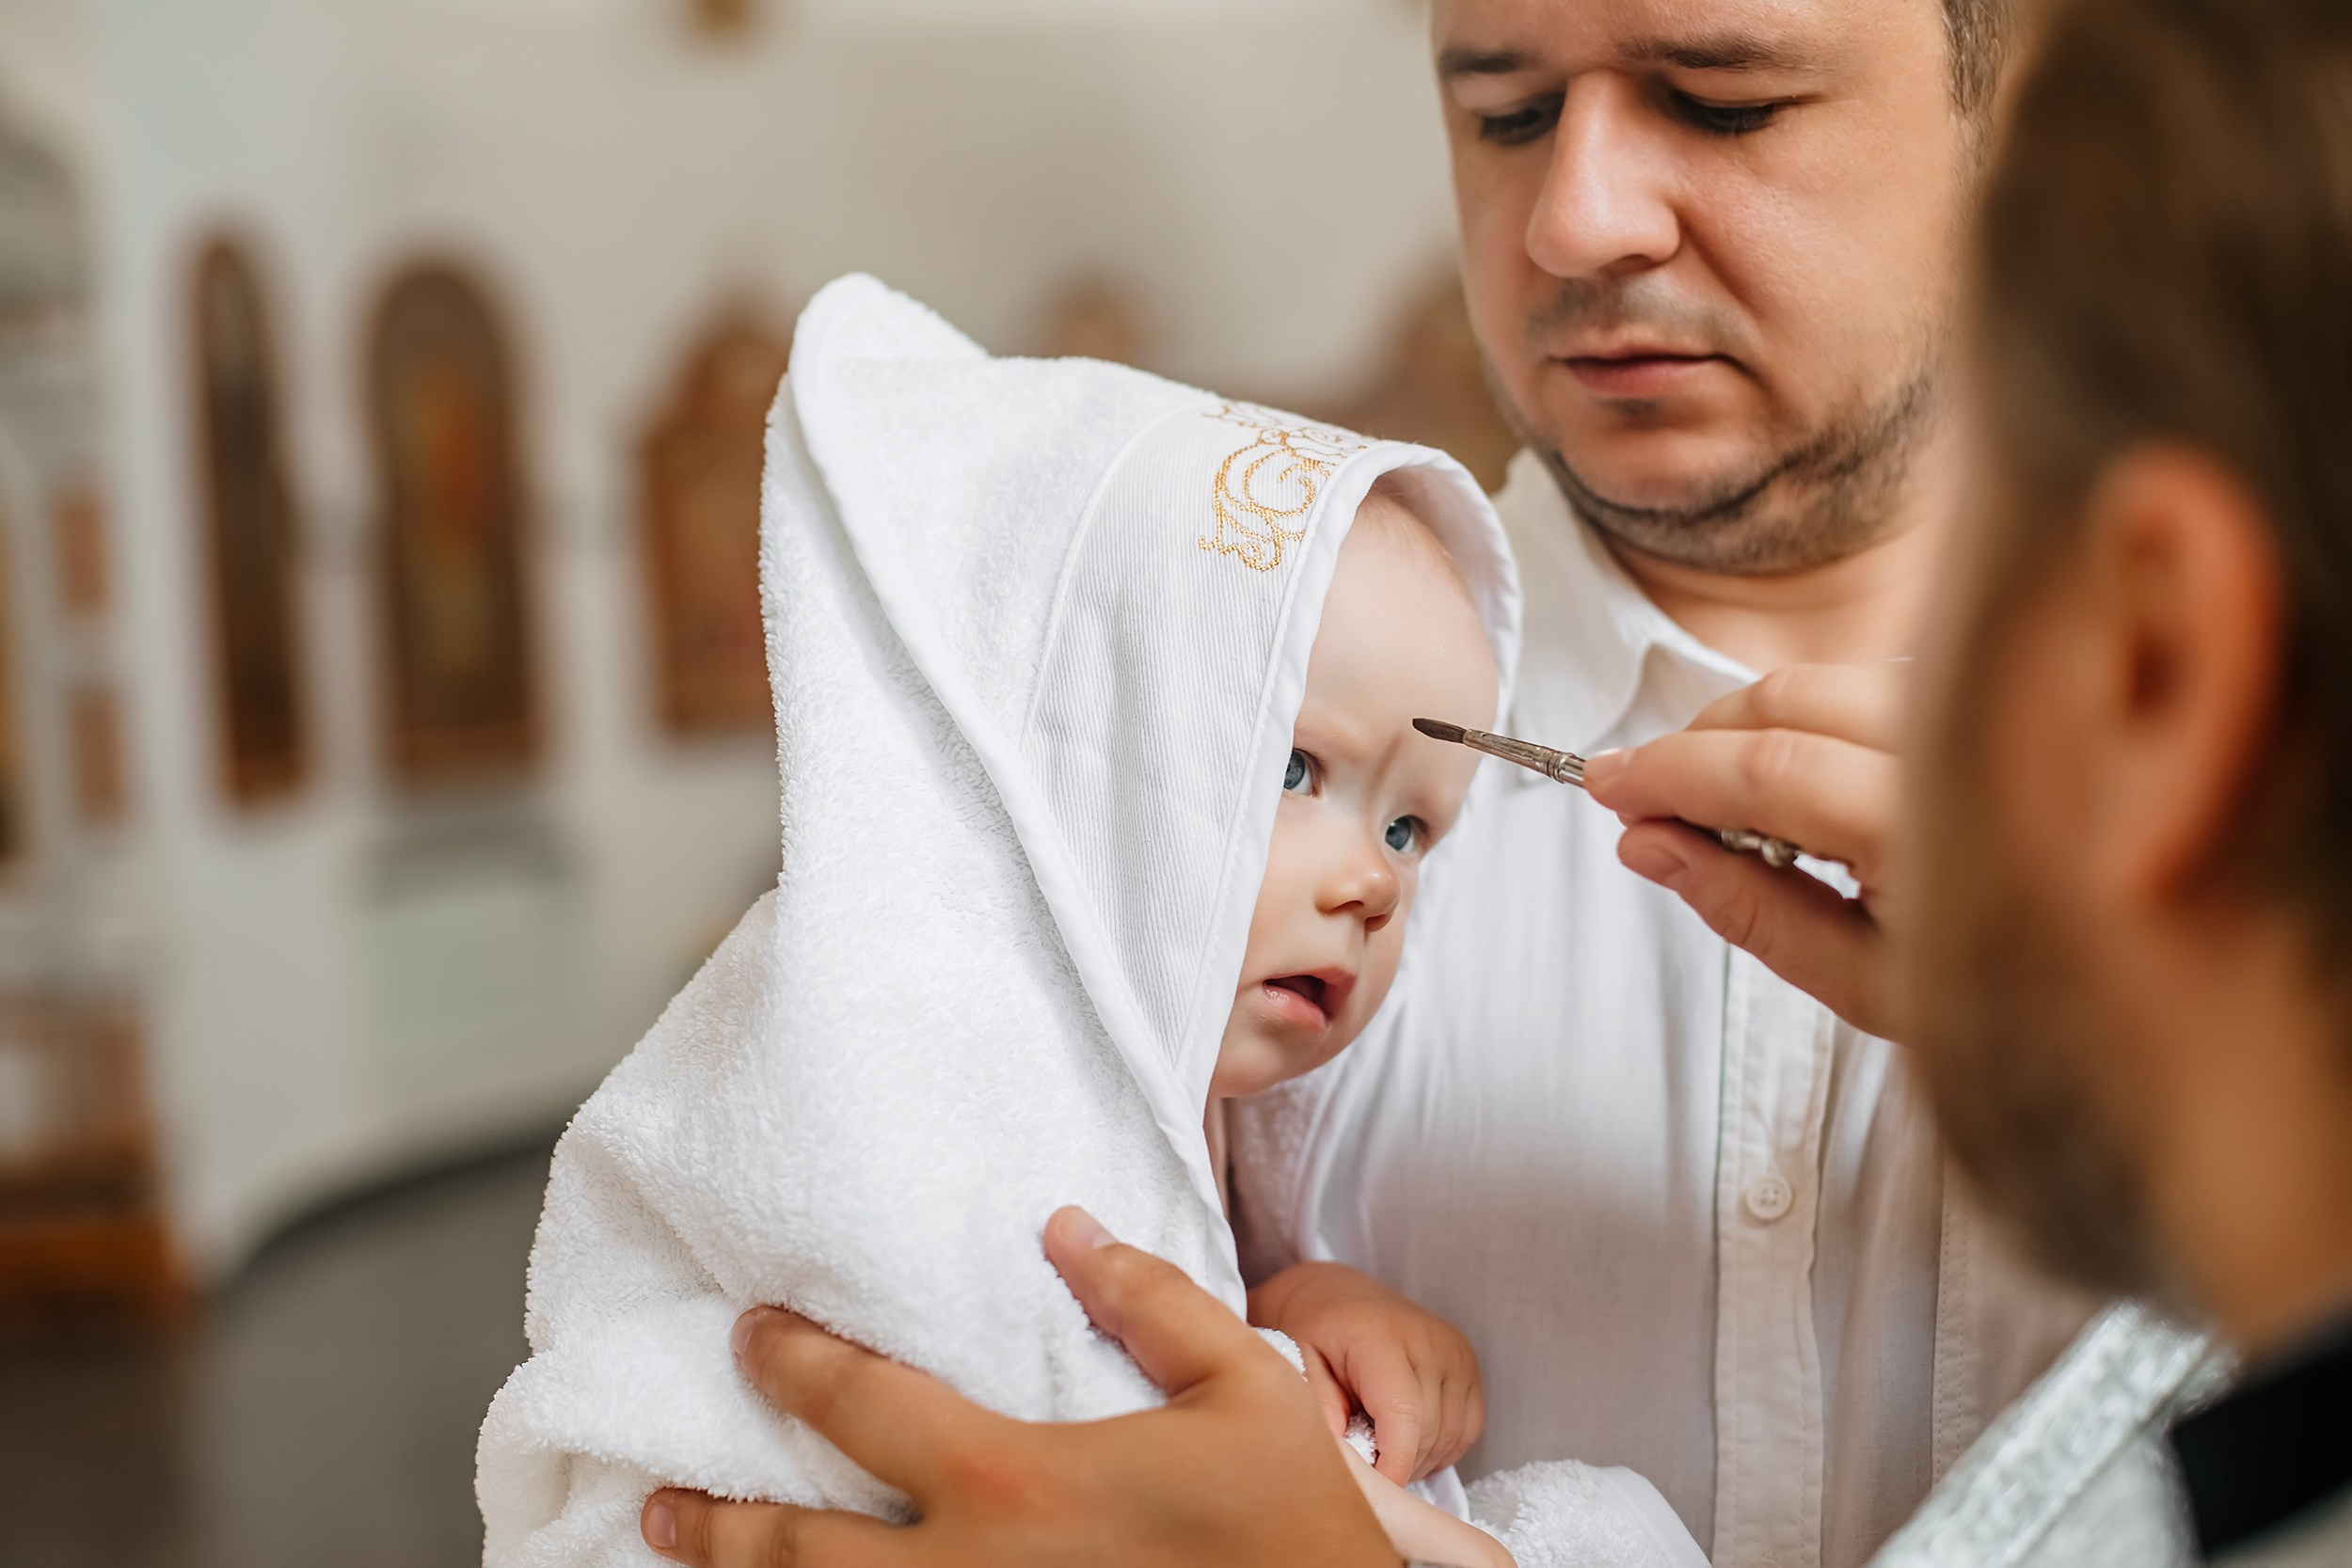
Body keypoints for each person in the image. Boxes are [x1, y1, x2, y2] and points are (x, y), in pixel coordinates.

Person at [627, 0, 2352, 1560]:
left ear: (2018, 107)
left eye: (1722, 99)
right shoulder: (1159, 831)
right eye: (1506, 112)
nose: (1573, 218)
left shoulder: (2262, 892)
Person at [482, 277, 1701, 1568]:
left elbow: (1173, 1330)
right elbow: (1028, 1400)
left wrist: (1299, 1299)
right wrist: (1283, 1381)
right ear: (1098, 761)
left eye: (1412, 830)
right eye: (1297, 771)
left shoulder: (1191, 1087)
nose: (1376, 884)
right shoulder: (907, 1059)